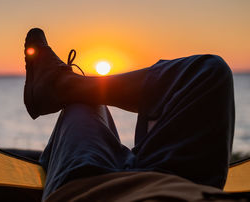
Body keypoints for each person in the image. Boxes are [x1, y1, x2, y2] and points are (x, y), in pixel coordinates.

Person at [23, 28, 237, 201]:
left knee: (82, 106)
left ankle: (64, 87)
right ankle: (64, 87)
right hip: (186, 182)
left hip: (98, 189)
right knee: (210, 71)